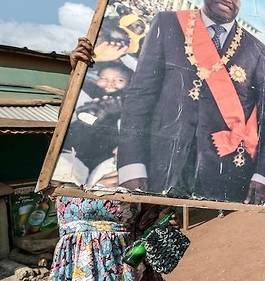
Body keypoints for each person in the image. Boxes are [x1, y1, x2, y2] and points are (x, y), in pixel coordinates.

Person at [117, 0, 265, 204]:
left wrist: (263, 175)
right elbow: (140, 96)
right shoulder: (167, 23)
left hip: (226, 181)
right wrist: (131, 165)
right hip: (159, 167)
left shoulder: (257, 51)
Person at [51, 39, 177, 281]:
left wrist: (160, 224)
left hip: (125, 267)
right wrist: (76, 73)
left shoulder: (137, 161)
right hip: (75, 263)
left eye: (120, 81)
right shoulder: (67, 163)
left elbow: (151, 228)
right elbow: (64, 126)